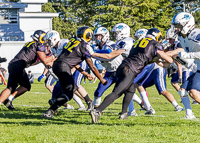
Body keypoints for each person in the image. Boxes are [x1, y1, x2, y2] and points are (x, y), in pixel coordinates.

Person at [90, 28, 174, 123]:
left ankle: (124, 113)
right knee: (117, 92)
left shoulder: (138, 42)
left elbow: (143, 57)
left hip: (122, 66)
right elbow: (168, 60)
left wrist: (158, 60)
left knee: (131, 90)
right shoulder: (154, 44)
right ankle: (98, 111)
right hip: (130, 70)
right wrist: (172, 58)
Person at [42, 26, 107, 118]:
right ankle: (50, 111)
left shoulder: (72, 41)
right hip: (65, 66)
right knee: (69, 93)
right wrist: (101, 79)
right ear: (88, 36)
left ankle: (55, 103)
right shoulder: (84, 47)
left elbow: (71, 59)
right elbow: (92, 66)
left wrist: (84, 73)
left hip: (58, 65)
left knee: (69, 87)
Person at [92, 25, 144, 116]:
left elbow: (109, 55)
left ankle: (133, 109)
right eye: (96, 36)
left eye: (99, 36)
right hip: (111, 72)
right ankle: (95, 108)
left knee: (124, 90)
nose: (115, 35)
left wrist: (92, 53)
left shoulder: (114, 43)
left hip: (122, 70)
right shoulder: (99, 46)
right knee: (100, 91)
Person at [0, 30, 55, 108]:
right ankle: (8, 99)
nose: (45, 40)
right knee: (13, 88)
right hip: (18, 66)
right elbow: (45, 60)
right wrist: (54, 56)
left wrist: (44, 61)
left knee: (23, 86)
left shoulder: (31, 44)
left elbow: (31, 61)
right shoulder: (39, 45)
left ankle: (9, 99)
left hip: (14, 65)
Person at [168, 12, 200, 119]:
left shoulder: (196, 34)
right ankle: (189, 114)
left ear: (187, 24)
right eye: (176, 26)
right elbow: (189, 57)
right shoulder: (182, 37)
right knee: (183, 90)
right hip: (197, 68)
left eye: (178, 26)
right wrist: (180, 60)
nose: (176, 29)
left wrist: (186, 55)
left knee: (194, 92)